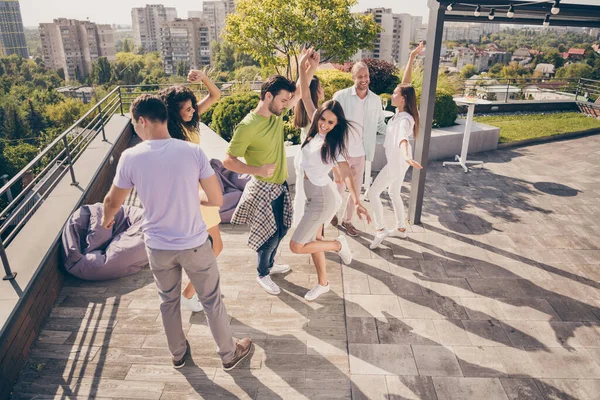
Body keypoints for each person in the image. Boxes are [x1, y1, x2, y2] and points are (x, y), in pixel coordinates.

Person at [102, 94, 252, 370]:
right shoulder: (192, 152)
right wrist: (191, 198)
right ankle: (229, 355)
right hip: (194, 243)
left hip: (158, 247)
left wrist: (106, 219)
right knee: (211, 301)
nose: (135, 128)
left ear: (143, 121)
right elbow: (217, 199)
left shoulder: (130, 157)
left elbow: (113, 202)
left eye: (134, 123)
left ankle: (178, 354)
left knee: (168, 302)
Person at [290, 48, 371, 301]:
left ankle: (338, 245)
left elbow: (345, 170)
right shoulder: (316, 124)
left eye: (330, 123)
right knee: (314, 239)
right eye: (323, 119)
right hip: (310, 195)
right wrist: (303, 65)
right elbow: (304, 93)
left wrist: (357, 200)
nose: (324, 124)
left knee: (297, 246)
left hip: (322, 199)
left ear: (337, 126)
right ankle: (323, 283)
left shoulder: (333, 145)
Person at [331, 43, 424, 237]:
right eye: (360, 76)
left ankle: (348, 221)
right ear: (353, 77)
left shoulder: (375, 100)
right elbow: (330, 124)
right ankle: (331, 213)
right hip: (341, 153)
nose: (364, 80)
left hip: (361, 153)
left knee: (355, 192)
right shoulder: (340, 97)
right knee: (337, 188)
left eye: (366, 76)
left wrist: (397, 140)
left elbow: (383, 125)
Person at [223, 75, 300, 296]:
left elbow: (300, 94)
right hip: (264, 188)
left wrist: (310, 68)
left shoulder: (275, 117)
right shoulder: (247, 126)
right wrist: (256, 170)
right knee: (270, 235)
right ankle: (262, 273)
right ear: (268, 96)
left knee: (283, 228)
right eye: (283, 100)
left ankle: (270, 263)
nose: (287, 105)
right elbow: (228, 160)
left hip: (280, 185)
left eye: (287, 101)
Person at [158, 70, 223, 313]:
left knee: (203, 246)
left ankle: (191, 289)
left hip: (197, 193)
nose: (193, 111)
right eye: (187, 109)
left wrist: (204, 77)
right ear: (174, 112)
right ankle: (188, 293)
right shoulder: (171, 138)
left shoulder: (189, 125)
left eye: (192, 107)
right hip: (192, 196)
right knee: (214, 246)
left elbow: (215, 95)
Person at [369, 44, 424, 250]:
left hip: (396, 164)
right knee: (393, 193)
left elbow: (402, 139)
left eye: (394, 93)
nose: (391, 95)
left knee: (373, 194)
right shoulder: (405, 112)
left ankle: (380, 229)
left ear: (402, 99)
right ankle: (401, 228)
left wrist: (406, 154)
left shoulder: (403, 120)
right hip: (400, 164)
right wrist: (411, 57)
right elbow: (406, 83)